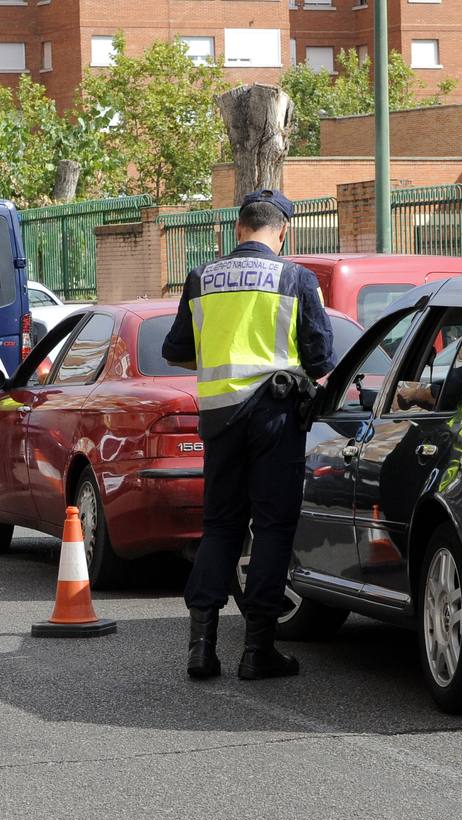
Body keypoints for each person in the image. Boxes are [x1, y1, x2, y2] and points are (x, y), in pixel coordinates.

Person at [161, 189, 336, 681]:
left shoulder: (202, 278)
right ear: (283, 232)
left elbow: (177, 350)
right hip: (276, 419)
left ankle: (201, 646)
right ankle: (258, 650)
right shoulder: (295, 278)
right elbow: (321, 358)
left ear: (238, 230)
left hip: (219, 420)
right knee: (273, 528)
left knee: (220, 527)